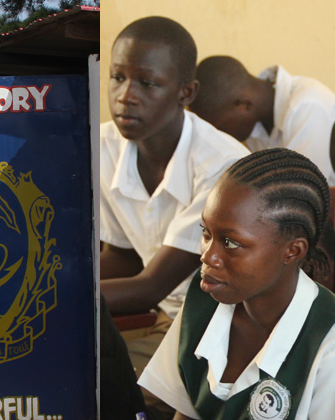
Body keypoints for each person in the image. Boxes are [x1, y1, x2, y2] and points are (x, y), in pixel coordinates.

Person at [127, 149, 335, 420]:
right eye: (206, 234)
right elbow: (193, 418)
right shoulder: (205, 304)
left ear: (292, 251)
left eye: (231, 243)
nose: (208, 256)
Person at [97, 16, 251, 371]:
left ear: (186, 93)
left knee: (101, 386)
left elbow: (151, 286)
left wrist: (51, 296)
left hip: (229, 330)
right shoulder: (104, 146)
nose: (126, 96)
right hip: (171, 322)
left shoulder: (221, 164)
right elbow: (125, 257)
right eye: (118, 77)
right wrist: (50, 274)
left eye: (147, 83)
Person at [189, 55, 335, 190]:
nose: (222, 135)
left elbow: (297, 193)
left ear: (244, 105)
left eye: (220, 127)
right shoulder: (253, 124)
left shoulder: (308, 107)